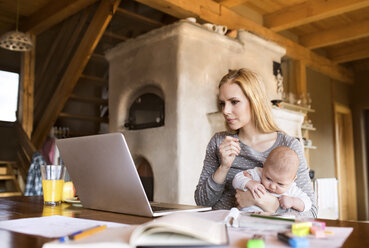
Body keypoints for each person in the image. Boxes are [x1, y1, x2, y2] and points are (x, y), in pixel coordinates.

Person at [194, 68, 317, 217]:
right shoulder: (219, 141)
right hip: (221, 227)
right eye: (222, 103)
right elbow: (202, 202)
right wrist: (224, 167)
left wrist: (267, 203)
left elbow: (312, 213)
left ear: (255, 101)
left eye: (234, 102)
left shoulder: (288, 146)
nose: (225, 110)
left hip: (264, 232)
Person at [232, 146, 312, 213]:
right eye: (268, 179)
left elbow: (308, 204)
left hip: (271, 223)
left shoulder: (292, 189)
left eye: (280, 184)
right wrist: (249, 182)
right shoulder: (257, 174)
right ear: (264, 167)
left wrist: (293, 202)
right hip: (245, 216)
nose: (272, 186)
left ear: (293, 180)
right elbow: (236, 179)